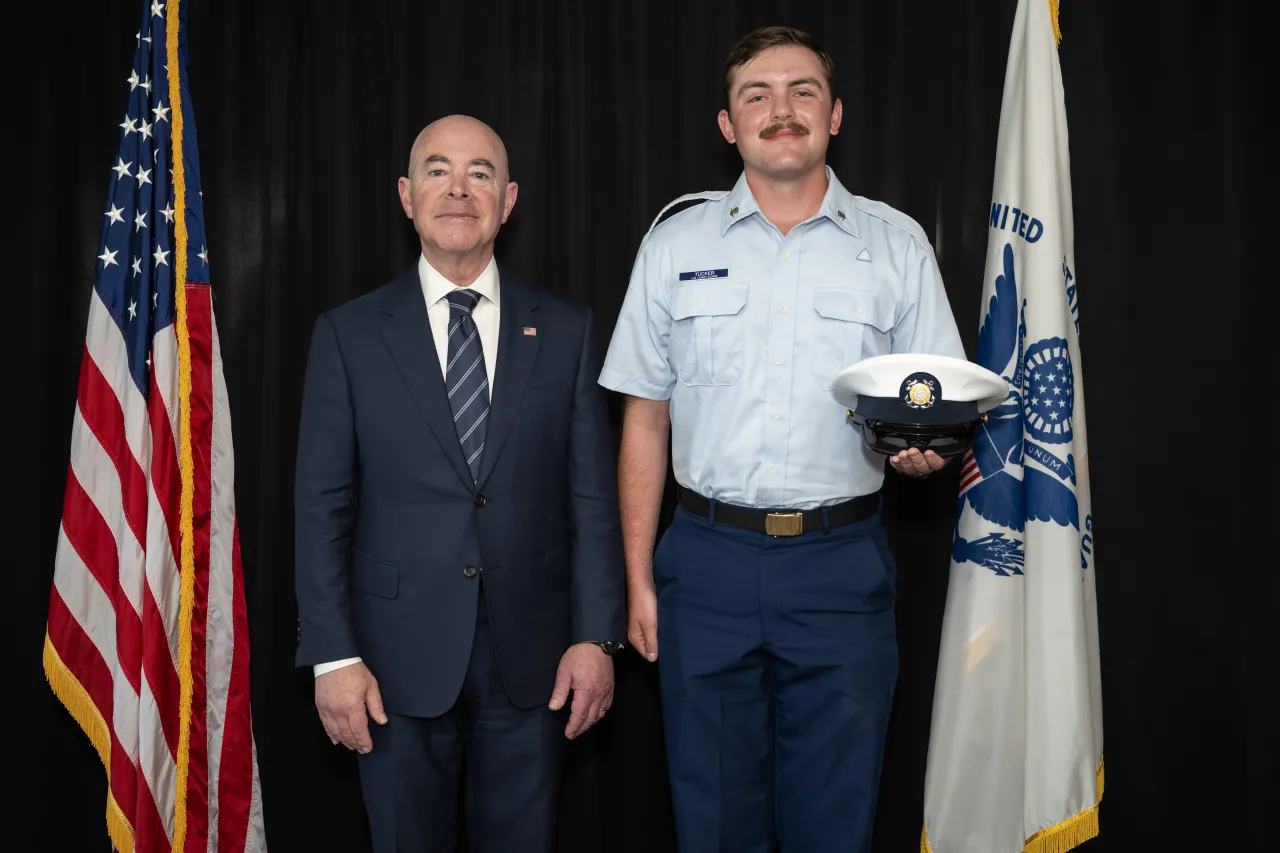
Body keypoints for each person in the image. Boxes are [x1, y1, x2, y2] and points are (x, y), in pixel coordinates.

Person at [598, 26, 966, 853]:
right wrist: (638, 580)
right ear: (727, 126)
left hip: (840, 567)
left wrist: (928, 451)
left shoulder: (896, 245)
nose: (781, 110)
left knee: (833, 821)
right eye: (755, 95)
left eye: (802, 91)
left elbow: (937, 412)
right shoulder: (673, 244)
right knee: (712, 820)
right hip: (705, 562)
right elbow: (644, 419)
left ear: (835, 115)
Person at [294, 114, 626, 853]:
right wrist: (333, 654)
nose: (459, 189)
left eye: (481, 173)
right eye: (438, 170)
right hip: (387, 661)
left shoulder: (566, 331)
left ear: (508, 201)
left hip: (535, 658)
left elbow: (591, 499)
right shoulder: (348, 334)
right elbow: (321, 506)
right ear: (407, 196)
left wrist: (596, 636)